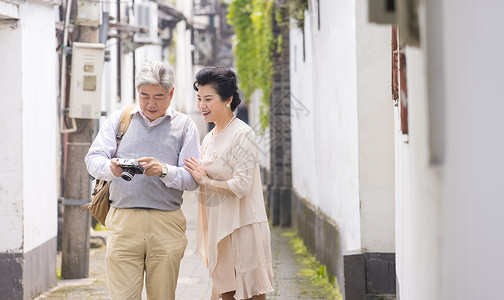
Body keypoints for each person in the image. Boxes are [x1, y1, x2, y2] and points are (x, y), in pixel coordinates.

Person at [85, 61, 200, 300]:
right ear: (137, 92)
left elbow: (192, 180)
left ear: (171, 93)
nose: (150, 103)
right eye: (144, 95)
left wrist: (163, 170)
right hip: (123, 222)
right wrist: (111, 168)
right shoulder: (121, 119)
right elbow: (93, 159)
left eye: (158, 96)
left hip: (166, 223)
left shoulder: (185, 126)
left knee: (163, 296)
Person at [185, 66, 274, 300]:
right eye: (199, 99)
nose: (201, 105)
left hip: (243, 226)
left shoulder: (243, 135)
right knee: (225, 292)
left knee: (251, 294)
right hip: (220, 227)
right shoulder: (208, 138)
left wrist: (205, 180)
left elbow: (241, 186)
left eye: (208, 99)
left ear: (228, 100)